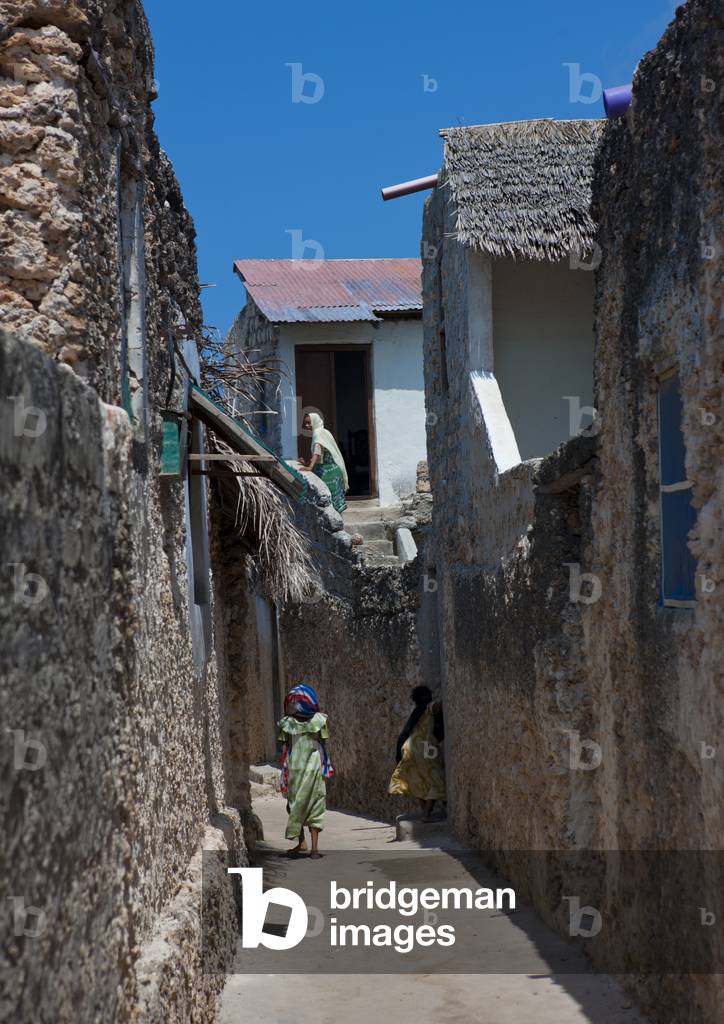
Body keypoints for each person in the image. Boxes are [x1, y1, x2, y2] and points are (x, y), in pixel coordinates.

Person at [278, 684, 333, 859]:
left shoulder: (287, 724)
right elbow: (323, 743)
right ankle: (309, 847)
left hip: (298, 768)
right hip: (311, 768)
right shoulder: (319, 721)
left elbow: (284, 746)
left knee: (299, 805)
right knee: (309, 804)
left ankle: (307, 844)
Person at [389, 685, 446, 821]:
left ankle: (424, 808)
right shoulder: (428, 708)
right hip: (426, 748)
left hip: (409, 747)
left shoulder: (416, 711)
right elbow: (438, 706)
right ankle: (426, 813)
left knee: (414, 780)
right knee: (437, 779)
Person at [300, 412, 349, 514]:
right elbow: (321, 454)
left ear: (315, 421)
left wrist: (309, 467)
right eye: (305, 423)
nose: (307, 426)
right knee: (334, 508)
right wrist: (306, 464)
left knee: (328, 506)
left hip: (329, 474)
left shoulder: (318, 433)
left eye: (309, 423)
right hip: (333, 472)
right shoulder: (324, 432)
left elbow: (317, 452)